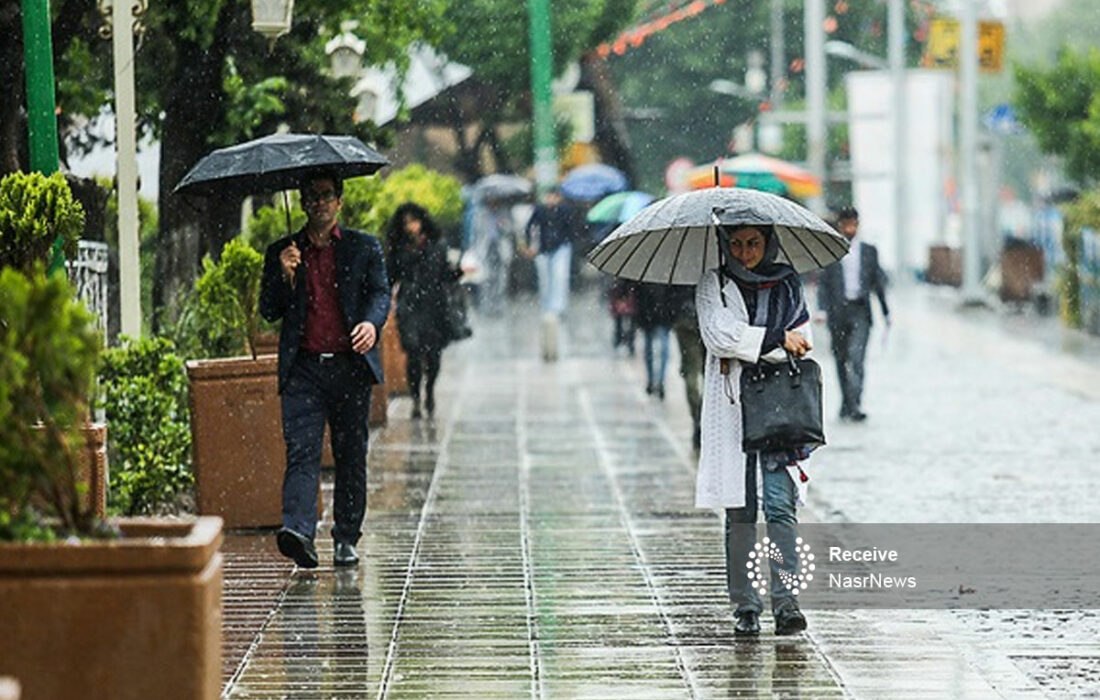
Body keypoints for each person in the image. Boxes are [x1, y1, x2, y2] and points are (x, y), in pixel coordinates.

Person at [259, 171, 390, 569]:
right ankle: (298, 531)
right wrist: (285, 275)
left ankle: (346, 536)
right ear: (301, 203)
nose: (319, 203)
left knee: (351, 455)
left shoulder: (363, 248)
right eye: (311, 197)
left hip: (350, 367)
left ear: (339, 201)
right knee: (302, 452)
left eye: (326, 195)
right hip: (304, 372)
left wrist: (371, 323)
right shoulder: (283, 251)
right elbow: (269, 310)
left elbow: (380, 293)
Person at [695, 223, 815, 637]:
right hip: (733, 407)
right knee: (741, 510)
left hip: (779, 407)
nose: (745, 252)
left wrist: (760, 343)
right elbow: (717, 335)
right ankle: (746, 605)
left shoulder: (787, 283)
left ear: (768, 244)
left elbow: (804, 338)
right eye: (737, 243)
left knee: (781, 506)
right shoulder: (714, 283)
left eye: (753, 243)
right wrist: (775, 340)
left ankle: (786, 602)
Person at [385, 202, 463, 420]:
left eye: (415, 221)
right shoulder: (399, 249)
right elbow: (390, 277)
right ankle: (416, 398)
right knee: (413, 353)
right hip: (410, 307)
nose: (412, 227)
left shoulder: (437, 245)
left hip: (434, 306)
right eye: (407, 223)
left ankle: (429, 391)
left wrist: (459, 272)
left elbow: (445, 273)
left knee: (434, 355)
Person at [816, 206, 889, 422]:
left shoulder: (869, 251)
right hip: (838, 312)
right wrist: (821, 309)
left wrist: (886, 311)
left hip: (860, 311)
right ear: (839, 225)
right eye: (846, 224)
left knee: (857, 359)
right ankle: (846, 402)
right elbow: (824, 284)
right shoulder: (831, 251)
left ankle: (855, 404)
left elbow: (877, 282)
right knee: (841, 359)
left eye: (853, 224)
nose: (850, 228)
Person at [522, 187, 581, 361]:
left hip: (561, 248)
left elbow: (572, 228)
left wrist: (569, 242)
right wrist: (530, 245)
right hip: (544, 249)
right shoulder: (540, 210)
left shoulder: (564, 210)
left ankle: (558, 307)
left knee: (559, 277)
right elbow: (530, 226)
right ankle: (547, 305)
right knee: (545, 279)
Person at [634, 282, 678, 399]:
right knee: (659, 350)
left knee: (657, 350)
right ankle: (655, 380)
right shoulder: (668, 273)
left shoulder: (646, 274)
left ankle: (657, 380)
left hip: (656, 314)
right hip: (656, 314)